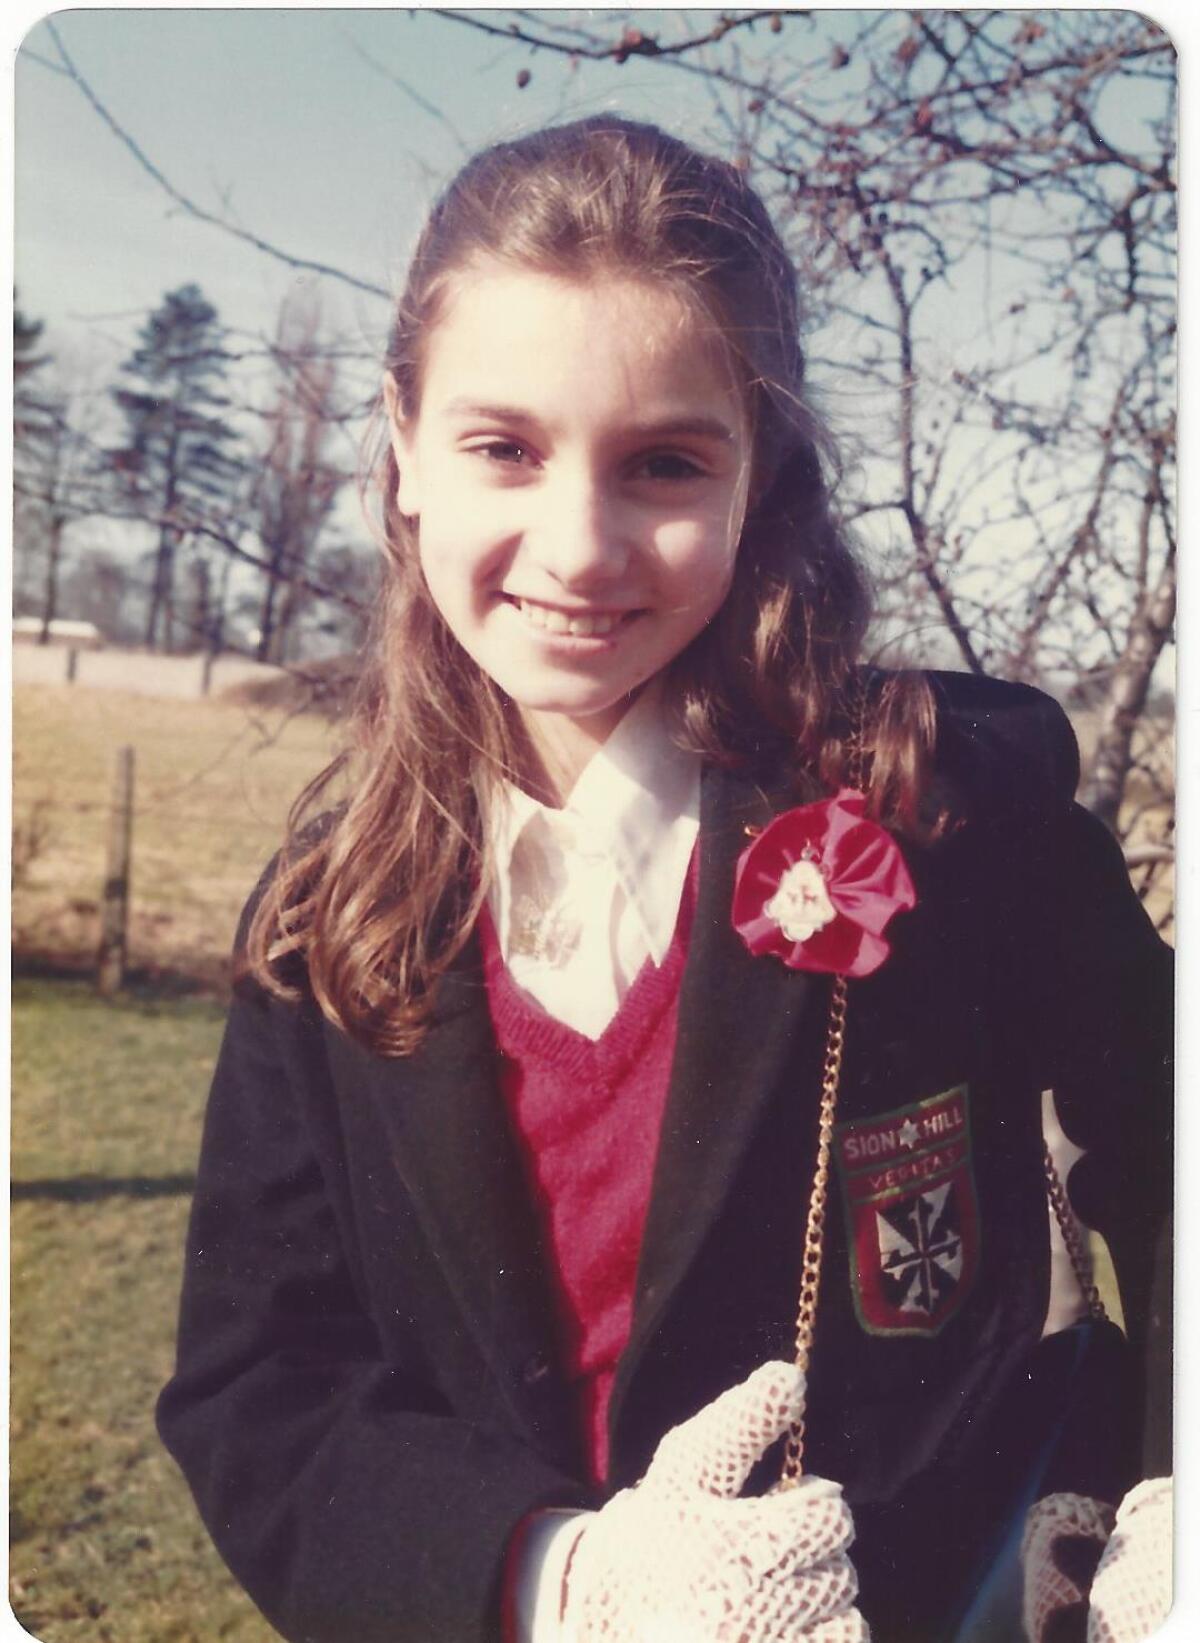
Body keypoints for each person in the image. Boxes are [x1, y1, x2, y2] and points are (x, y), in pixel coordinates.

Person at [157, 118, 1172, 1643]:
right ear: (403, 449)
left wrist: (1175, 1499)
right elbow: (258, 1380)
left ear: (764, 474)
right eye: (502, 446)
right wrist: (567, 1583)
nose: (580, 546)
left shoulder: (954, 810)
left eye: (666, 464)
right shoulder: (326, 914)